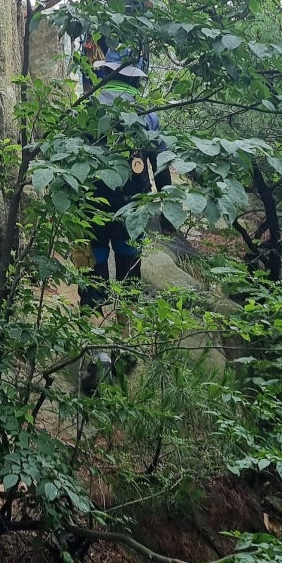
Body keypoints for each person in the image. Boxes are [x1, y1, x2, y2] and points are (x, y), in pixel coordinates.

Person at [77, 51, 172, 391]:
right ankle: (124, 345)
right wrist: (167, 209)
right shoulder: (146, 116)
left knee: (93, 279)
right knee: (130, 278)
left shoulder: (88, 109)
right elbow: (160, 163)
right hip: (132, 213)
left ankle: (95, 353)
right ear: (135, 79)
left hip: (91, 213)